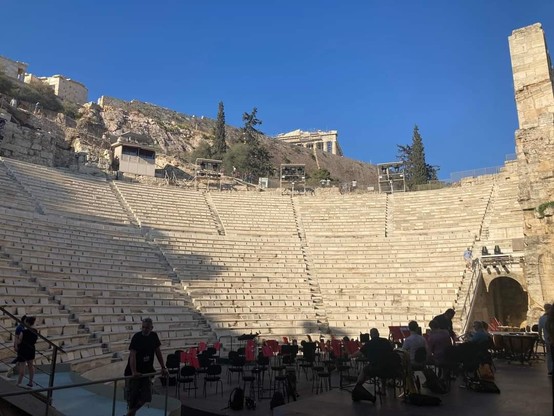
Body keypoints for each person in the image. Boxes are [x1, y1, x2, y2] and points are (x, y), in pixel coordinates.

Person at [124, 318, 168, 416]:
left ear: (151, 328)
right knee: (133, 398)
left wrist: (163, 367)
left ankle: (129, 414)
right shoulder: (137, 337)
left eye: (147, 328)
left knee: (146, 396)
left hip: (147, 371)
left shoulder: (154, 336)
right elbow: (132, 355)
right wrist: (134, 371)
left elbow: (158, 352)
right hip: (133, 372)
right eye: (143, 327)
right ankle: (131, 413)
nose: (144, 329)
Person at [16, 316, 38, 387]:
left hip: (23, 350)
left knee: (22, 366)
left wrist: (17, 341)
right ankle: (30, 382)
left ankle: (19, 383)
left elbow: (19, 342)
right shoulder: (35, 331)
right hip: (31, 350)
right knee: (30, 366)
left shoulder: (23, 332)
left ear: (27, 323)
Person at [538, 303, 552, 375]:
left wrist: (541, 338)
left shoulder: (542, 318)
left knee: (549, 355)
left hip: (547, 340)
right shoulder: (551, 318)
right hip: (551, 339)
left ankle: (550, 370)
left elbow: (539, 330)